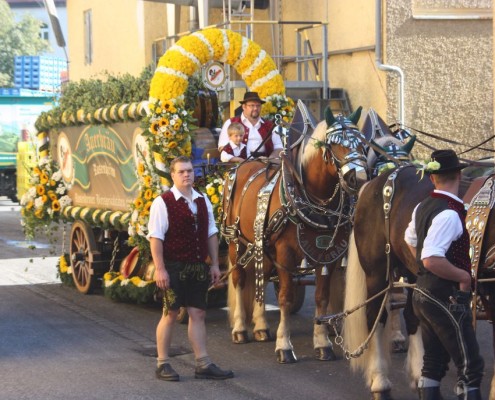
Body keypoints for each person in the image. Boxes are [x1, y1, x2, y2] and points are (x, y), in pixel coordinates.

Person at [404, 149, 484, 400]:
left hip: (423, 293)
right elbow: (430, 258)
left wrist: (423, 269)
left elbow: (410, 240)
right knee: (470, 365)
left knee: (434, 361)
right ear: (459, 176)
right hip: (444, 296)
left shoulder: (422, 206)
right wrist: (462, 276)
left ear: (432, 178)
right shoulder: (450, 213)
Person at [147, 155, 234, 382]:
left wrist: (214, 264)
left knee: (198, 313)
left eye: (189, 171)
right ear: (173, 175)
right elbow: (155, 237)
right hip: (173, 266)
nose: (187, 175)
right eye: (182, 171)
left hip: (197, 266)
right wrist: (160, 269)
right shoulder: (162, 202)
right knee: (170, 314)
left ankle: (203, 363)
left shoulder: (202, 200)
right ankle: (162, 363)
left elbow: (211, 233)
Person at [218, 91, 283, 158]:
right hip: (239, 164)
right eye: (252, 105)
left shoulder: (269, 125)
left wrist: (270, 160)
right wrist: (239, 160)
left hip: (265, 164)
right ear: (244, 107)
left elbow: (278, 147)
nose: (255, 108)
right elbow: (222, 147)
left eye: (258, 105)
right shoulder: (231, 123)